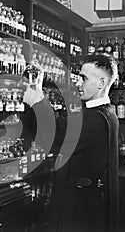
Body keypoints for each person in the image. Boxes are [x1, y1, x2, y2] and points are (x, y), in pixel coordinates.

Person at [45, 53, 120, 232]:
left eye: (84, 79)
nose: (78, 84)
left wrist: (35, 101)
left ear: (101, 83)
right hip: (83, 202)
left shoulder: (95, 119)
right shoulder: (107, 112)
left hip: (80, 207)